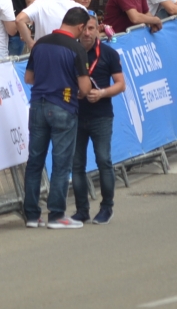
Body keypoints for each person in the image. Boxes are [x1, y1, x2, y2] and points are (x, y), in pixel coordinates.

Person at [22, 7, 92, 230]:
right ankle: (56, 215)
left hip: (38, 105)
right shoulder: (76, 48)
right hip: (63, 105)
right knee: (61, 164)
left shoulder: (40, 43)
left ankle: (32, 215)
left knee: (35, 161)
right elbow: (84, 87)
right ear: (80, 27)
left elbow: (29, 77)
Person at [70, 16, 124, 225]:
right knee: (77, 164)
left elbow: (120, 84)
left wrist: (102, 93)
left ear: (98, 30)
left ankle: (106, 207)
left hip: (101, 115)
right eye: (83, 29)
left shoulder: (108, 53)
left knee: (103, 160)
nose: (87, 33)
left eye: (91, 28)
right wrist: (75, 93)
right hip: (76, 115)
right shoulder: (71, 52)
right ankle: (81, 210)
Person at [16, 0, 85, 50]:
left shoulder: (39, 5)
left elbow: (19, 19)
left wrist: (30, 42)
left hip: (42, 52)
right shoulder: (80, 8)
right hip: (70, 52)